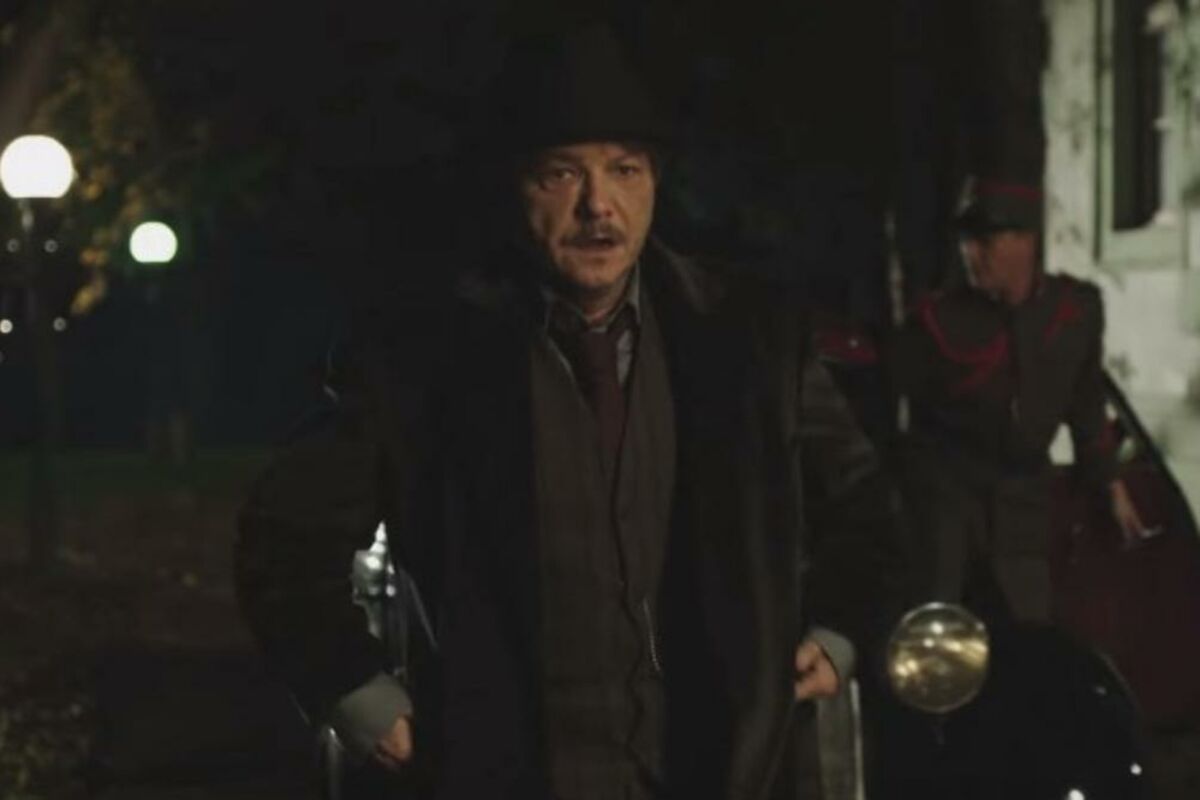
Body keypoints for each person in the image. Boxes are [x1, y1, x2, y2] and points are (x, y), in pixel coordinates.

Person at [236, 25, 905, 800]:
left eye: (625, 170)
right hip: (508, 772)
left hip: (716, 770)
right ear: (515, 187)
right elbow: (285, 543)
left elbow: (867, 505)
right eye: (561, 174)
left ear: (654, 183)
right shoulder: (424, 355)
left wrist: (841, 627)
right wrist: (356, 690)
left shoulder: (750, 340)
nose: (598, 206)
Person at [893, 178, 1144, 625]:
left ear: (1025, 241)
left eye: (986, 241)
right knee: (940, 640)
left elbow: (1086, 404)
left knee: (1030, 637)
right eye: (967, 241)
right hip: (947, 516)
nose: (972, 254)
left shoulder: (1074, 312)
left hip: (1024, 515)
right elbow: (903, 428)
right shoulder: (933, 322)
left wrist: (1111, 484)